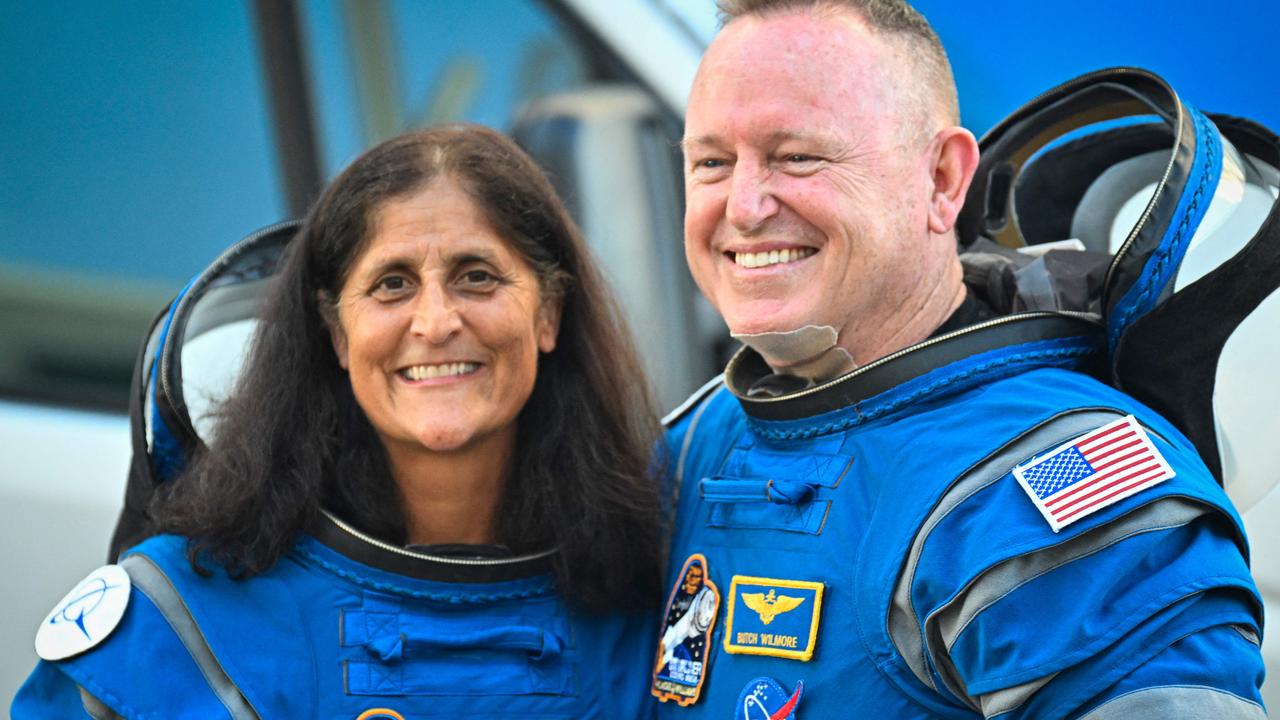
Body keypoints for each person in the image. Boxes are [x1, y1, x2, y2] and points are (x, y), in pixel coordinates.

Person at [652, 1, 1267, 718]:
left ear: (943, 179)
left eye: (797, 157)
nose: (746, 206)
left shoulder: (1064, 492)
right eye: (712, 163)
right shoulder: (699, 438)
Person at [14, 124, 664, 718]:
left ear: (548, 314)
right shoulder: (178, 624)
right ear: (336, 333)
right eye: (392, 284)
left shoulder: (650, 603)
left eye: (476, 277)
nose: (436, 323)